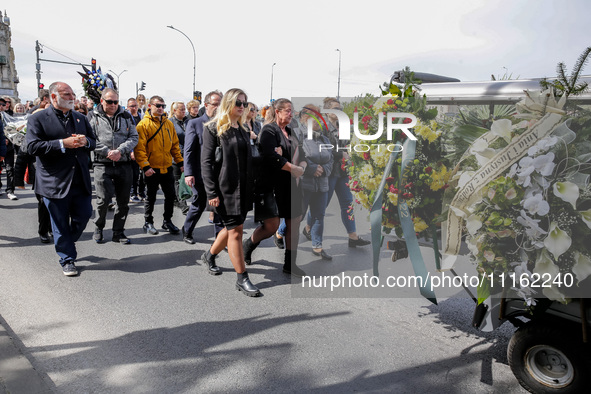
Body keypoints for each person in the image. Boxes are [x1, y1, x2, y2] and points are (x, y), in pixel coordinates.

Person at [25, 82, 96, 276]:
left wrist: (85, 141)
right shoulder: (38, 118)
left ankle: (65, 241)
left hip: (80, 179)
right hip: (53, 182)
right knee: (60, 223)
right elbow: (31, 147)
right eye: (67, 94)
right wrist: (62, 144)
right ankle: (67, 259)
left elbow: (93, 141)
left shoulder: (80, 118)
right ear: (54, 97)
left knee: (84, 215)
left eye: (73, 94)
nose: (72, 97)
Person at [201, 88, 260, 296]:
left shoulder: (244, 129)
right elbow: (206, 163)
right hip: (224, 189)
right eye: (238, 103)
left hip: (244, 188)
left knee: (231, 228)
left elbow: (250, 159)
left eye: (245, 103)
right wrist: (211, 193)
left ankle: (209, 255)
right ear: (228, 104)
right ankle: (242, 278)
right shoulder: (212, 128)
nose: (242, 107)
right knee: (235, 231)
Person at [244, 98, 306, 276]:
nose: (291, 113)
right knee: (271, 226)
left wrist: (301, 168)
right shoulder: (269, 130)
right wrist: (292, 167)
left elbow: (302, 154)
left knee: (293, 223)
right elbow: (270, 157)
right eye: (287, 110)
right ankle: (247, 246)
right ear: (277, 112)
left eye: (292, 110)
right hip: (272, 185)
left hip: (292, 185)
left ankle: (290, 264)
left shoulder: (291, 132)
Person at [318, 97, 371, 248]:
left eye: (341, 109)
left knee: (347, 204)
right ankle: (306, 228)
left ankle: (352, 236)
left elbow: (349, 144)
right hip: (329, 172)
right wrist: (340, 154)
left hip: (342, 172)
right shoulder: (322, 127)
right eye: (336, 109)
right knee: (321, 206)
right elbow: (321, 149)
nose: (340, 112)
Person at [88, 88, 138, 244]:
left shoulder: (126, 116)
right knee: (103, 200)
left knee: (123, 201)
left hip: (123, 163)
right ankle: (99, 228)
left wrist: (120, 150)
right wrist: (107, 152)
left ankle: (118, 231)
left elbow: (134, 137)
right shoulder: (92, 116)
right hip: (102, 164)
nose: (113, 105)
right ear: (102, 101)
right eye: (110, 101)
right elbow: (90, 138)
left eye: (116, 102)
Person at [134, 95, 184, 235]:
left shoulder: (168, 124)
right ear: (150, 106)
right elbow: (139, 149)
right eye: (158, 105)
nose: (161, 108)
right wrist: (145, 166)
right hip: (152, 168)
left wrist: (180, 162)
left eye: (163, 106)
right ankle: (148, 222)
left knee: (170, 195)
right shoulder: (143, 125)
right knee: (151, 196)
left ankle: (167, 221)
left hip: (167, 166)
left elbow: (175, 146)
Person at [182, 90, 222, 244]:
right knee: (198, 204)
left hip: (219, 174)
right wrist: (188, 173)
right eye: (215, 104)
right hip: (200, 173)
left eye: (220, 104)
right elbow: (189, 150)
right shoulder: (195, 123)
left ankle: (220, 240)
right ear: (206, 105)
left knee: (218, 206)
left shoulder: (223, 124)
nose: (218, 107)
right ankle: (187, 231)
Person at [298, 105, 334, 259]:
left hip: (322, 184)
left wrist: (324, 169)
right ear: (305, 119)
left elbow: (331, 159)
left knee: (319, 216)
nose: (319, 120)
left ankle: (317, 246)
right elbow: (299, 158)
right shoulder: (299, 137)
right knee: (299, 215)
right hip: (305, 184)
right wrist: (311, 168)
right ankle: (280, 233)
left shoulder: (324, 139)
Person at [170, 101, 190, 215]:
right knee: (178, 180)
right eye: (181, 109)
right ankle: (183, 205)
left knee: (184, 179)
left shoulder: (188, 122)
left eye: (184, 109)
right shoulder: (170, 122)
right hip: (175, 155)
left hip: (187, 155)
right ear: (175, 110)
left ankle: (175, 200)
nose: (184, 111)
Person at [126, 98, 145, 202]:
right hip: (132, 149)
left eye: (135, 106)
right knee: (134, 173)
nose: (134, 108)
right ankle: (133, 193)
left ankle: (142, 192)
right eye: (131, 106)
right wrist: (131, 151)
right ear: (128, 107)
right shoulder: (127, 118)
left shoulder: (141, 117)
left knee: (143, 173)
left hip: (142, 148)